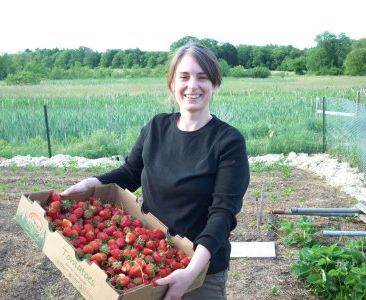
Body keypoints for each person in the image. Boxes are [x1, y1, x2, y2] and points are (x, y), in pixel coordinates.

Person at [61, 42, 250, 300]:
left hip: (201, 271)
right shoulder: (156, 127)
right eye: (184, 76)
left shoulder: (228, 141)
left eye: (202, 77)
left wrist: (192, 271)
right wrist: (90, 184)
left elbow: (222, 214)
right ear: (172, 83)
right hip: (149, 260)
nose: (192, 85)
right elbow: (129, 173)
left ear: (215, 84)